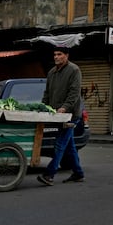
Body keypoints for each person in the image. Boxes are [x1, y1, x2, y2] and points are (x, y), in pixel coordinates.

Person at [38, 47, 85, 186]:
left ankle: (49, 174)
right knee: (69, 146)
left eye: (59, 54)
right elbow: (47, 93)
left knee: (60, 144)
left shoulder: (74, 70)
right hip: (56, 115)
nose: (56, 57)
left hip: (70, 115)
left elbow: (74, 93)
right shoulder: (52, 72)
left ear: (66, 56)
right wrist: (43, 107)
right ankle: (78, 173)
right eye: (54, 55)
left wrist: (65, 108)